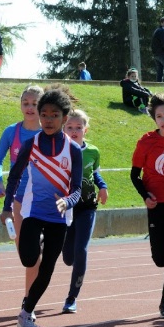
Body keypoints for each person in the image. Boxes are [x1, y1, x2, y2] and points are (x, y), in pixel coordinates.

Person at [0, 89, 83, 327]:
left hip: (58, 217)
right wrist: (6, 207)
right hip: (33, 212)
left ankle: (26, 312)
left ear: (64, 119)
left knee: (46, 269)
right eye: (44, 114)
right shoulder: (31, 144)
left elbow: (77, 189)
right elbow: (14, 175)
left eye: (54, 115)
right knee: (28, 259)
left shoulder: (73, 150)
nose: (48, 120)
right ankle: (39, 240)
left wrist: (67, 202)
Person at [0, 85, 44, 301]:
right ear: (20, 105)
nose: (30, 107)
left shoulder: (48, 132)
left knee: (34, 254)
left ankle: (28, 298)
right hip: (18, 198)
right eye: (26, 103)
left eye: (34, 104)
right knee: (25, 252)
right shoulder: (11, 131)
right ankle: (37, 242)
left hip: (44, 197)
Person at [60, 109, 108, 313]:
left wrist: (103, 186)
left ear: (85, 130)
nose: (74, 131)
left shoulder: (93, 151)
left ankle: (72, 297)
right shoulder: (59, 150)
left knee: (81, 251)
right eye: (69, 127)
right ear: (63, 129)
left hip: (87, 207)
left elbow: (95, 174)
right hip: (65, 208)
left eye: (78, 128)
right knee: (68, 257)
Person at [130, 92, 164, 318]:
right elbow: (134, 175)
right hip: (156, 205)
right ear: (154, 118)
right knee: (160, 259)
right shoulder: (146, 142)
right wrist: (145, 196)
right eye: (160, 116)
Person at [152, 17, 164, 83]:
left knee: (160, 70)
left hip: (156, 54)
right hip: (162, 54)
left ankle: (159, 84)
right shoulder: (161, 31)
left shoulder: (158, 30)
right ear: (161, 23)